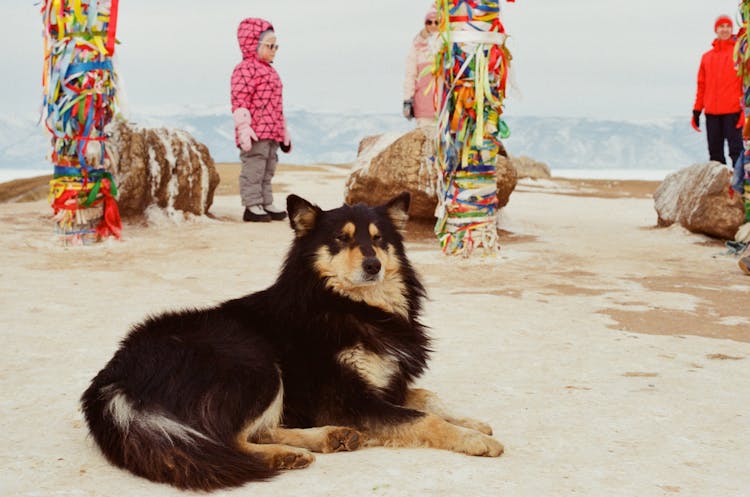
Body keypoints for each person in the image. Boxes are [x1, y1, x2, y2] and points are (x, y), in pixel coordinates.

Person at [231, 18, 291, 222]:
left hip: (272, 131)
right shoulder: (245, 69)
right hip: (256, 132)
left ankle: (265, 201)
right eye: (269, 45)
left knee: (268, 168)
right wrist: (243, 127)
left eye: (276, 46)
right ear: (252, 45)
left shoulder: (271, 72)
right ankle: (251, 204)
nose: (274, 50)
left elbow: (277, 105)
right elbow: (240, 100)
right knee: (254, 168)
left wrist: (283, 130)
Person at [692, 15, 743, 168]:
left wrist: (744, 112)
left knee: (736, 151)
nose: (725, 29)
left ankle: (740, 187)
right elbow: (701, 85)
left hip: (733, 111)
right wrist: (696, 110)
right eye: (721, 26)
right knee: (715, 154)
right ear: (716, 30)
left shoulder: (739, 54)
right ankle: (719, 188)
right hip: (712, 113)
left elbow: (745, 84)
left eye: (728, 26)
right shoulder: (707, 57)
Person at [403, 6, 440, 127]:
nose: (433, 25)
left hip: (444, 106)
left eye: (437, 22)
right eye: (429, 22)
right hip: (424, 106)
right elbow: (410, 75)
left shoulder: (448, 47)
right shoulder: (417, 47)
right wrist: (407, 100)